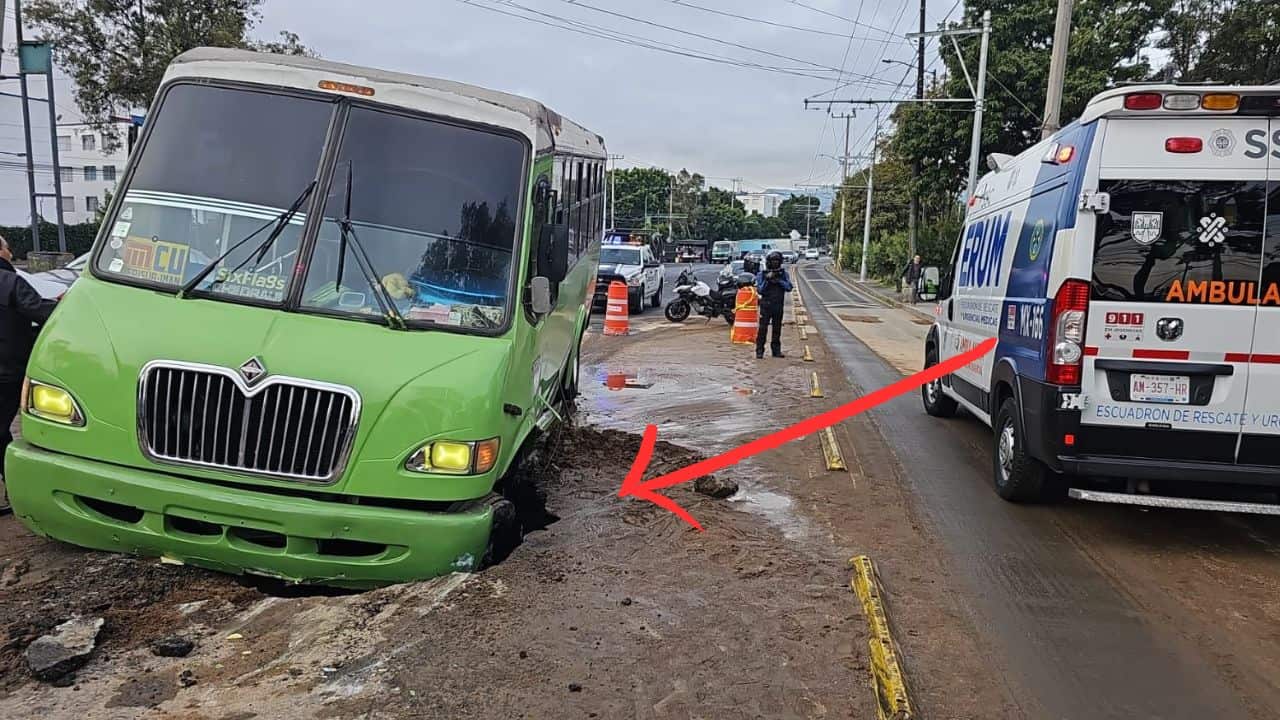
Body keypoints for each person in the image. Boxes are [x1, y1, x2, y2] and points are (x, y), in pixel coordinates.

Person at [0, 234, 57, 514]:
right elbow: (39, 311)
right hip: (7, 371)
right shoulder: (9, 282)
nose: (11, 253)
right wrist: (65, 306)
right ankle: (13, 485)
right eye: (8, 248)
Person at [755, 250, 793, 359]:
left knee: (777, 329)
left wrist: (778, 280)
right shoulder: (762, 274)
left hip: (778, 306)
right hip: (766, 306)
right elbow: (760, 290)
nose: (775, 263)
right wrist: (768, 279)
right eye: (773, 260)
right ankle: (759, 351)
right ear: (769, 262)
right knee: (762, 329)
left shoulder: (783, 274)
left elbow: (789, 287)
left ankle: (776, 351)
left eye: (777, 260)